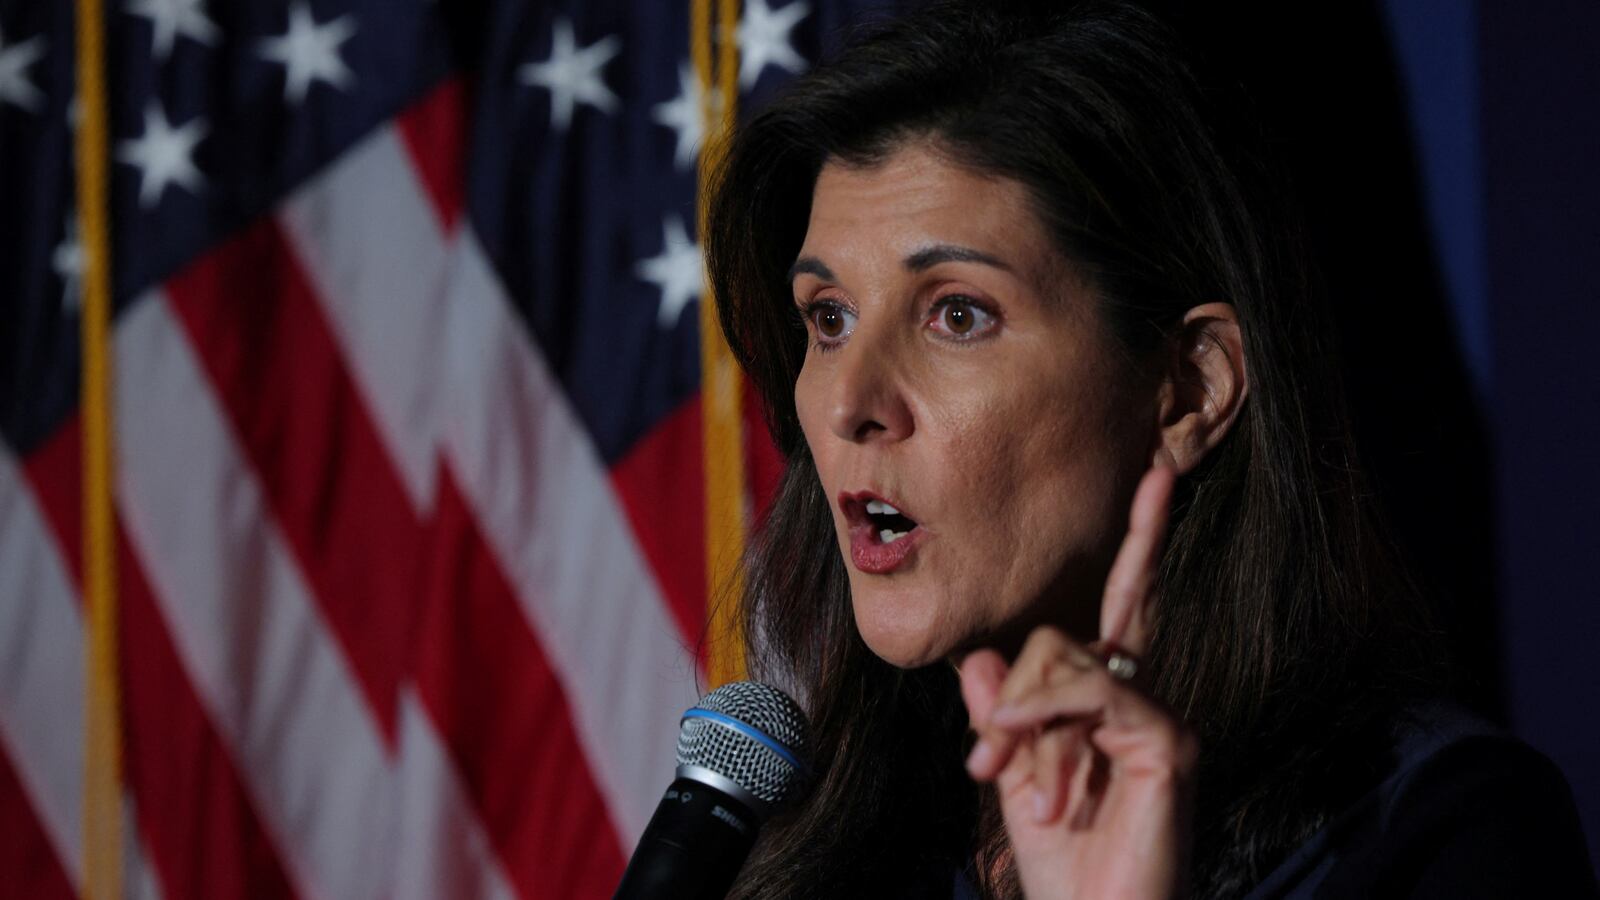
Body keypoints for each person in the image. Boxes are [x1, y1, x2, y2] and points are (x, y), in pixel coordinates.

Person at [702, 1, 1598, 896]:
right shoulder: (809, 850)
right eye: (829, 318)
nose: (850, 402)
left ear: (1191, 389)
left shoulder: (1433, 834)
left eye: (957, 314)